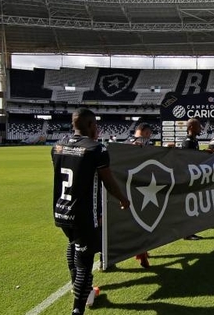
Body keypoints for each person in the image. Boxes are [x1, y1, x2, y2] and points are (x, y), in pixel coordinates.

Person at [52, 108, 130, 314]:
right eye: (95, 124)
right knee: (85, 264)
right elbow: (108, 182)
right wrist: (123, 199)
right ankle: (78, 308)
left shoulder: (57, 146)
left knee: (74, 245)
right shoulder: (96, 149)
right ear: (90, 125)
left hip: (61, 210)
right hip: (83, 214)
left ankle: (79, 288)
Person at [124, 122, 154, 268]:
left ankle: (142, 252)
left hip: (127, 188)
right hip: (141, 189)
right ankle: (141, 255)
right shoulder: (141, 144)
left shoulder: (125, 143)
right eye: (149, 133)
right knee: (142, 222)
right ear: (145, 132)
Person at [179, 118, 204, 240]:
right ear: (191, 128)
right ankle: (186, 233)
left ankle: (190, 231)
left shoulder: (194, 140)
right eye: (198, 126)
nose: (200, 128)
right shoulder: (188, 141)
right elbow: (188, 160)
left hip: (193, 177)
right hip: (188, 178)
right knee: (188, 207)